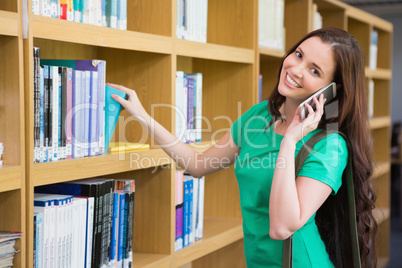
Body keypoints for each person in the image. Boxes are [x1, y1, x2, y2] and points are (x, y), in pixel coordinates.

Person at [110, 27, 377, 267]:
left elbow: (282, 228)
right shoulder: (258, 116)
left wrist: (289, 141)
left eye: (314, 70)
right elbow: (198, 164)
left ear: (331, 89)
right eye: (298, 55)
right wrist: (142, 115)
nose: (295, 69)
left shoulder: (331, 145)